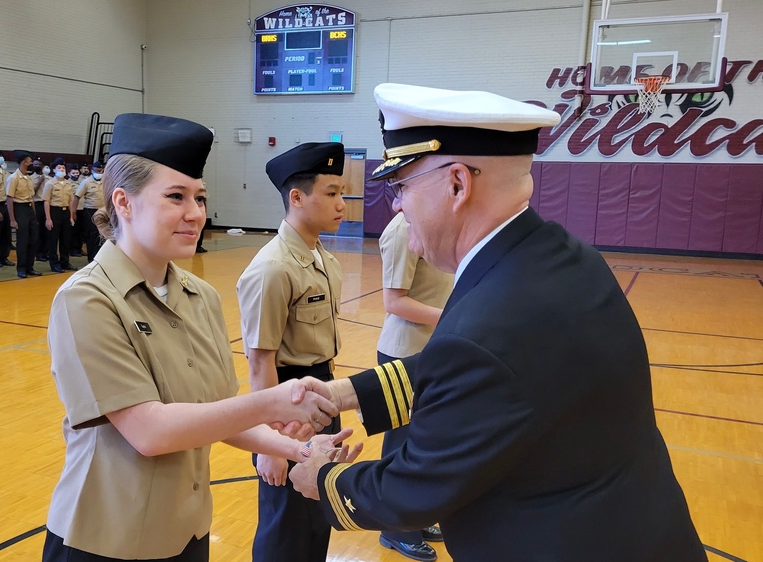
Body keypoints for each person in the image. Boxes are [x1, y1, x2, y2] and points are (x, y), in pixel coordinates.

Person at [286, 83, 707, 561]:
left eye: (401, 185)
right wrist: (348, 394)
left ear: (457, 184)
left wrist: (322, 476)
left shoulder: (487, 329)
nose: (398, 204)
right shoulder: (561, 256)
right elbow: (482, 379)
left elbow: (413, 489)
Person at [42, 112, 355, 562]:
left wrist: (299, 448)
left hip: (187, 531)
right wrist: (275, 401)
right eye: (175, 197)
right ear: (124, 203)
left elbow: (219, 414)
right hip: (108, 538)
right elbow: (148, 431)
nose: (196, 214)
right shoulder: (87, 300)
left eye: (200, 198)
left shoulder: (200, 296)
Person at [236, 142, 347, 562]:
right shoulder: (273, 268)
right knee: (285, 527)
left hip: (320, 398)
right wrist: (270, 444)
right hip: (285, 407)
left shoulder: (322, 258)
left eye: (342, 193)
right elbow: (261, 362)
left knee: (317, 516)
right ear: (297, 198)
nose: (342, 203)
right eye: (332, 192)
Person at [375, 211, 453, 562]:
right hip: (402, 355)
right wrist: (452, 314)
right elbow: (394, 302)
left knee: (424, 442)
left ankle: (415, 518)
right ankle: (394, 528)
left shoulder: (429, 221)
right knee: (400, 446)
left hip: (430, 350)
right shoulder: (400, 230)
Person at [6, 150, 42, 278]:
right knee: (23, 240)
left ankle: (30, 267)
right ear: (23, 162)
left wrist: (34, 214)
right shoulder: (13, 178)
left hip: (29, 209)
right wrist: (12, 219)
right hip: (19, 208)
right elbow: (9, 199)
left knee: (33, 239)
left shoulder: (27, 177)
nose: (31, 163)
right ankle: (21, 268)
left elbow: (31, 198)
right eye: (29, 161)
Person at [42, 158, 77, 273]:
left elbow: (71, 201)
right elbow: (46, 201)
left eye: (63, 168)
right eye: (59, 168)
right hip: (54, 211)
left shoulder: (68, 184)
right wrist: (48, 218)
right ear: (54, 169)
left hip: (65, 212)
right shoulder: (50, 184)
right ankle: (54, 263)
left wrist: (71, 216)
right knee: (53, 240)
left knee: (66, 239)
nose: (62, 169)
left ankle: (65, 262)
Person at [71, 160, 104, 262]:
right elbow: (76, 197)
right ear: (92, 170)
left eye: (100, 171)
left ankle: (101, 259)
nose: (98, 173)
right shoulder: (86, 182)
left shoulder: (106, 181)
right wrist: (73, 212)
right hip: (90, 211)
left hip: (103, 211)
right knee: (91, 236)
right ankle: (92, 259)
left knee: (102, 236)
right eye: (96, 170)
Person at [33, 158, 49, 262]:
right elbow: (32, 192)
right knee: (37, 231)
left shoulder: (49, 178)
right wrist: (39, 181)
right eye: (35, 164)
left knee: (46, 231)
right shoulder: (31, 178)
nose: (37, 166)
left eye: (39, 164)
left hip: (46, 204)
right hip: (37, 204)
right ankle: (38, 253)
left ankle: (45, 251)